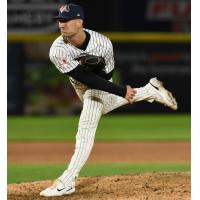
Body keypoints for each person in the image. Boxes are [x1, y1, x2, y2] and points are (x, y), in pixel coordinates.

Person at [40, 4, 177, 197]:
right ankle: (149, 90)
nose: (62, 25)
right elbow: (83, 78)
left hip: (100, 84)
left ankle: (67, 181)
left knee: (85, 129)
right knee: (105, 105)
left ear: (80, 22)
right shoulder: (57, 50)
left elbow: (105, 77)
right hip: (81, 85)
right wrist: (122, 91)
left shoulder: (102, 43)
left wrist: (112, 84)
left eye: (66, 20)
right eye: (60, 21)